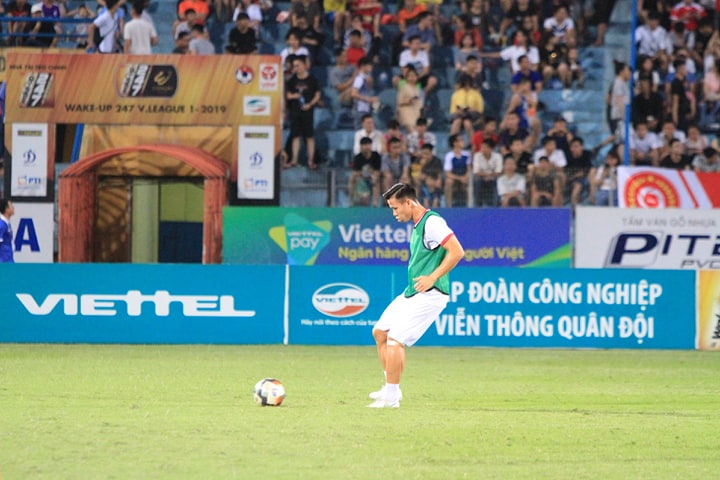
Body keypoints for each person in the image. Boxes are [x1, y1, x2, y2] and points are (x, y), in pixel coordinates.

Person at [368, 182, 464, 408]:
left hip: (431, 293)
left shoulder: (433, 223)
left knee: (395, 340)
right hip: (414, 291)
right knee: (380, 332)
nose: (394, 213)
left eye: (395, 208)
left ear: (409, 203)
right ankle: (391, 388)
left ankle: (391, 399)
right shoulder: (419, 223)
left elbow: (457, 251)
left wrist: (432, 277)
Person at [285, 55, 321, 169]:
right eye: (294, 66)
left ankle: (311, 160)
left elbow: (317, 94)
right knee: (295, 136)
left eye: (298, 65)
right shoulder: (292, 80)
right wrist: (294, 96)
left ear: (304, 65)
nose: (296, 68)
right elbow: (287, 95)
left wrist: (310, 104)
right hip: (295, 111)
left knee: (309, 137)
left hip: (307, 112)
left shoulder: (312, 80)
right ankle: (294, 159)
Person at [349, 137, 382, 207]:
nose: (367, 147)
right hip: (362, 178)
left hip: (373, 177)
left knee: (376, 180)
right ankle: (351, 201)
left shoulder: (376, 156)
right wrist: (364, 174)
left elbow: (377, 171)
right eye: (365, 145)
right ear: (361, 146)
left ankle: (375, 203)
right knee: (352, 179)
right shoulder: (358, 157)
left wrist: (373, 176)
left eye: (368, 145)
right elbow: (356, 172)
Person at [443, 134, 471, 207]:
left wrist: (465, 177)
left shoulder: (467, 154)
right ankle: (449, 206)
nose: (463, 142)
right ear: (455, 143)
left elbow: (469, 169)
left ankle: (469, 205)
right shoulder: (449, 156)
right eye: (461, 140)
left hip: (464, 176)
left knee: (469, 181)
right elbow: (448, 173)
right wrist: (459, 178)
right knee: (448, 182)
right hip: (454, 177)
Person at [472, 138, 502, 206]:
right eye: (482, 147)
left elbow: (498, 171)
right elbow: (476, 171)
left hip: (494, 177)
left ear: (491, 149)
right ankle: (477, 205)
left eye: (485, 147)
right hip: (481, 178)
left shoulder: (498, 156)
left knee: (498, 180)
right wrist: (487, 175)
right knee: (477, 180)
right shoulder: (477, 156)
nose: (482, 149)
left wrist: (490, 176)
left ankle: (495, 204)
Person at [0, 199, 14, 263]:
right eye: (11, 206)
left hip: (8, 258)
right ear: (6, 209)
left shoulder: (7, 223)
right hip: (3, 261)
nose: (13, 208)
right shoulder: (1, 225)